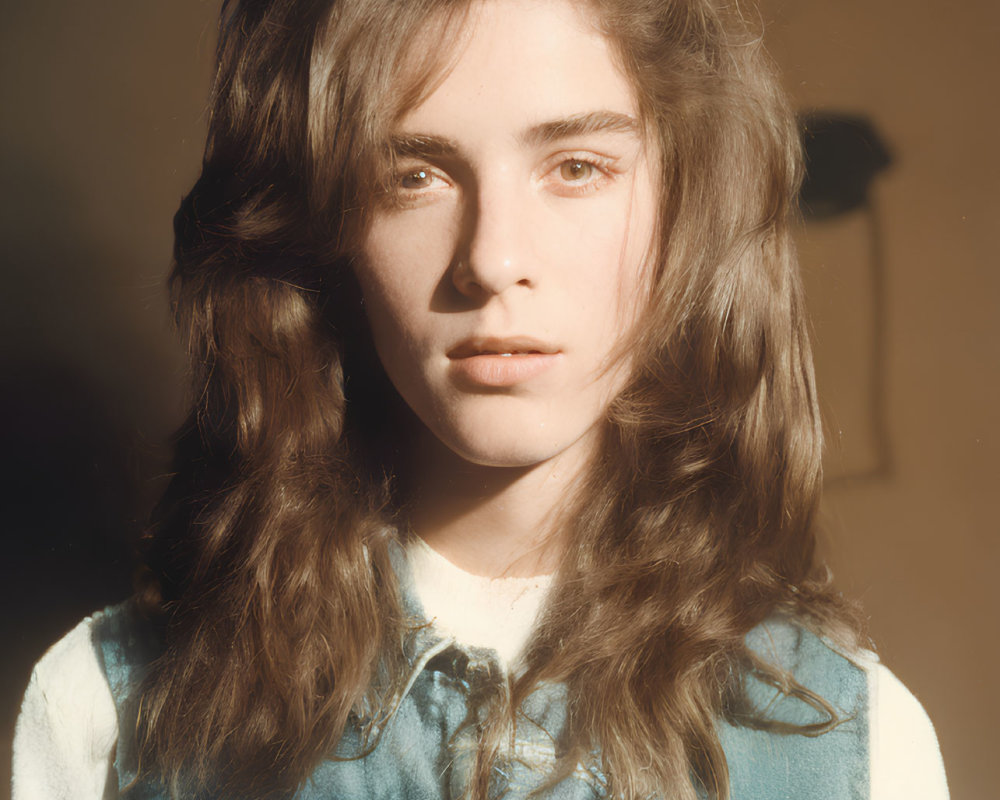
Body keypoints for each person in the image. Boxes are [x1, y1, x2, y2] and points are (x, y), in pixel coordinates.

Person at [12, 0, 949, 798]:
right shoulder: (109, 713)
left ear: (687, 203)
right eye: (412, 176)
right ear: (324, 228)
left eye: (577, 167)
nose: (493, 259)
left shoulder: (860, 752)